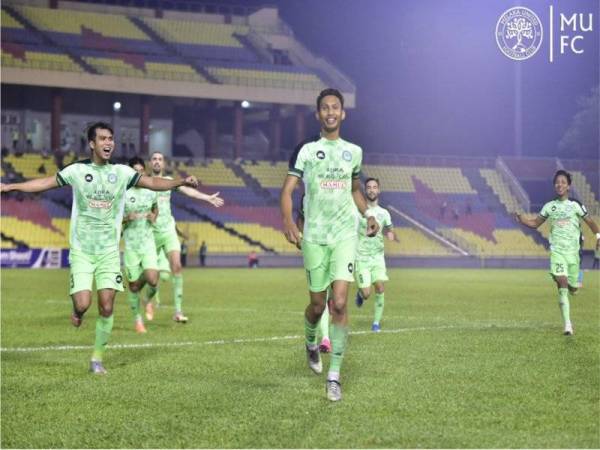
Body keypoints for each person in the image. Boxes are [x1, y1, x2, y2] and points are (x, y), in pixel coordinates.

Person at [0, 122, 199, 374]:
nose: (109, 143)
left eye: (111, 139)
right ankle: (77, 311)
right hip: (82, 250)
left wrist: (180, 182)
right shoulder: (77, 170)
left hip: (108, 253)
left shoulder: (122, 173)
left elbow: (151, 182)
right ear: (92, 143)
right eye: (103, 138)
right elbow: (45, 183)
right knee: (83, 304)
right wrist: (9, 187)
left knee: (107, 305)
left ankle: (97, 358)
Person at [280, 88, 379, 402]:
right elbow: (287, 192)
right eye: (325, 108)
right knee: (317, 306)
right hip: (314, 237)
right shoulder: (307, 151)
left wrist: (369, 214)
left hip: (344, 235)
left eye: (336, 107)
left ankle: (334, 377)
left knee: (339, 303)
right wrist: (288, 222)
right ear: (318, 115)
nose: (331, 112)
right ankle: (310, 341)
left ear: (343, 113)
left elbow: (354, 190)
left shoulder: (354, 152)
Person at [515, 170, 600, 335]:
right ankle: (568, 325)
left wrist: (598, 236)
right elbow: (534, 223)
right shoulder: (549, 206)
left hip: (573, 254)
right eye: (557, 182)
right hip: (557, 252)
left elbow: (591, 222)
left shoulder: (576, 205)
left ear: (568, 186)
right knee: (562, 283)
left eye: (563, 182)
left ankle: (571, 283)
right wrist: (522, 219)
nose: (559, 184)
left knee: (573, 288)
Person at [143, 151, 224, 323]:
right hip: (150, 233)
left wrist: (207, 197)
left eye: (160, 159)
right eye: (154, 159)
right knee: (152, 278)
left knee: (177, 267)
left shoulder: (170, 181)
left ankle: (178, 311)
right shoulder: (144, 183)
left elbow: (188, 191)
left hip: (167, 230)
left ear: (163, 164)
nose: (157, 162)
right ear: (150, 163)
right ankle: (147, 299)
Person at [354, 178, 398, 332]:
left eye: (374, 187)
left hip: (378, 257)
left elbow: (389, 228)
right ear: (365, 191)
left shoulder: (384, 213)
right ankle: (360, 293)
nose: (372, 190)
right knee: (367, 293)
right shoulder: (358, 211)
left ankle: (376, 323)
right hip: (361, 257)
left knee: (380, 287)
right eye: (369, 187)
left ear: (379, 190)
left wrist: (391, 234)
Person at [122, 156, 159, 334]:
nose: (138, 174)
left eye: (140, 171)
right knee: (134, 286)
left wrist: (154, 216)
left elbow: (155, 208)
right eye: (134, 171)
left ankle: (147, 301)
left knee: (153, 279)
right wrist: (125, 218)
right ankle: (138, 320)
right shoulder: (123, 194)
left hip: (148, 242)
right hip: (131, 245)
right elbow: (112, 220)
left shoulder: (150, 191)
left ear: (144, 171)